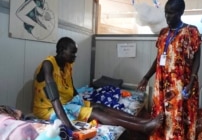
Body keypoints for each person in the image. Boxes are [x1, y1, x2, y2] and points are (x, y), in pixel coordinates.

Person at [32, 37, 164, 133]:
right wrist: (69, 126)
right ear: (61, 50)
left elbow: (71, 88)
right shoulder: (47, 65)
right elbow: (54, 98)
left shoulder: (67, 65)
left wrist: (80, 101)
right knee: (94, 112)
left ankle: (141, 121)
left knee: (100, 106)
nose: (75, 56)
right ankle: (142, 128)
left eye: (75, 53)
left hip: (67, 102)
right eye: (72, 53)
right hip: (48, 109)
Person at [137, 0, 201, 140]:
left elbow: (197, 59)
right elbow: (159, 58)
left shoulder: (191, 32)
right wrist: (146, 77)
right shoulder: (163, 33)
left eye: (171, 13)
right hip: (161, 86)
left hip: (181, 85)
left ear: (180, 13)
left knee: (177, 120)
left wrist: (191, 82)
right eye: (165, 12)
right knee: (160, 118)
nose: (167, 16)